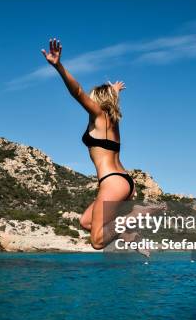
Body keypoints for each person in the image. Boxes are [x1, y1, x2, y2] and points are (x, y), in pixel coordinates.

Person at [42, 38, 136, 250]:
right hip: (123, 181)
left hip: (112, 182)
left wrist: (59, 66)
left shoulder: (99, 115)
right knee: (85, 222)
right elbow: (111, 102)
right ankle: (127, 231)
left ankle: (137, 215)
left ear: (97, 101)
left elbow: (77, 92)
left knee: (96, 242)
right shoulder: (113, 120)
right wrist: (115, 91)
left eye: (93, 98)